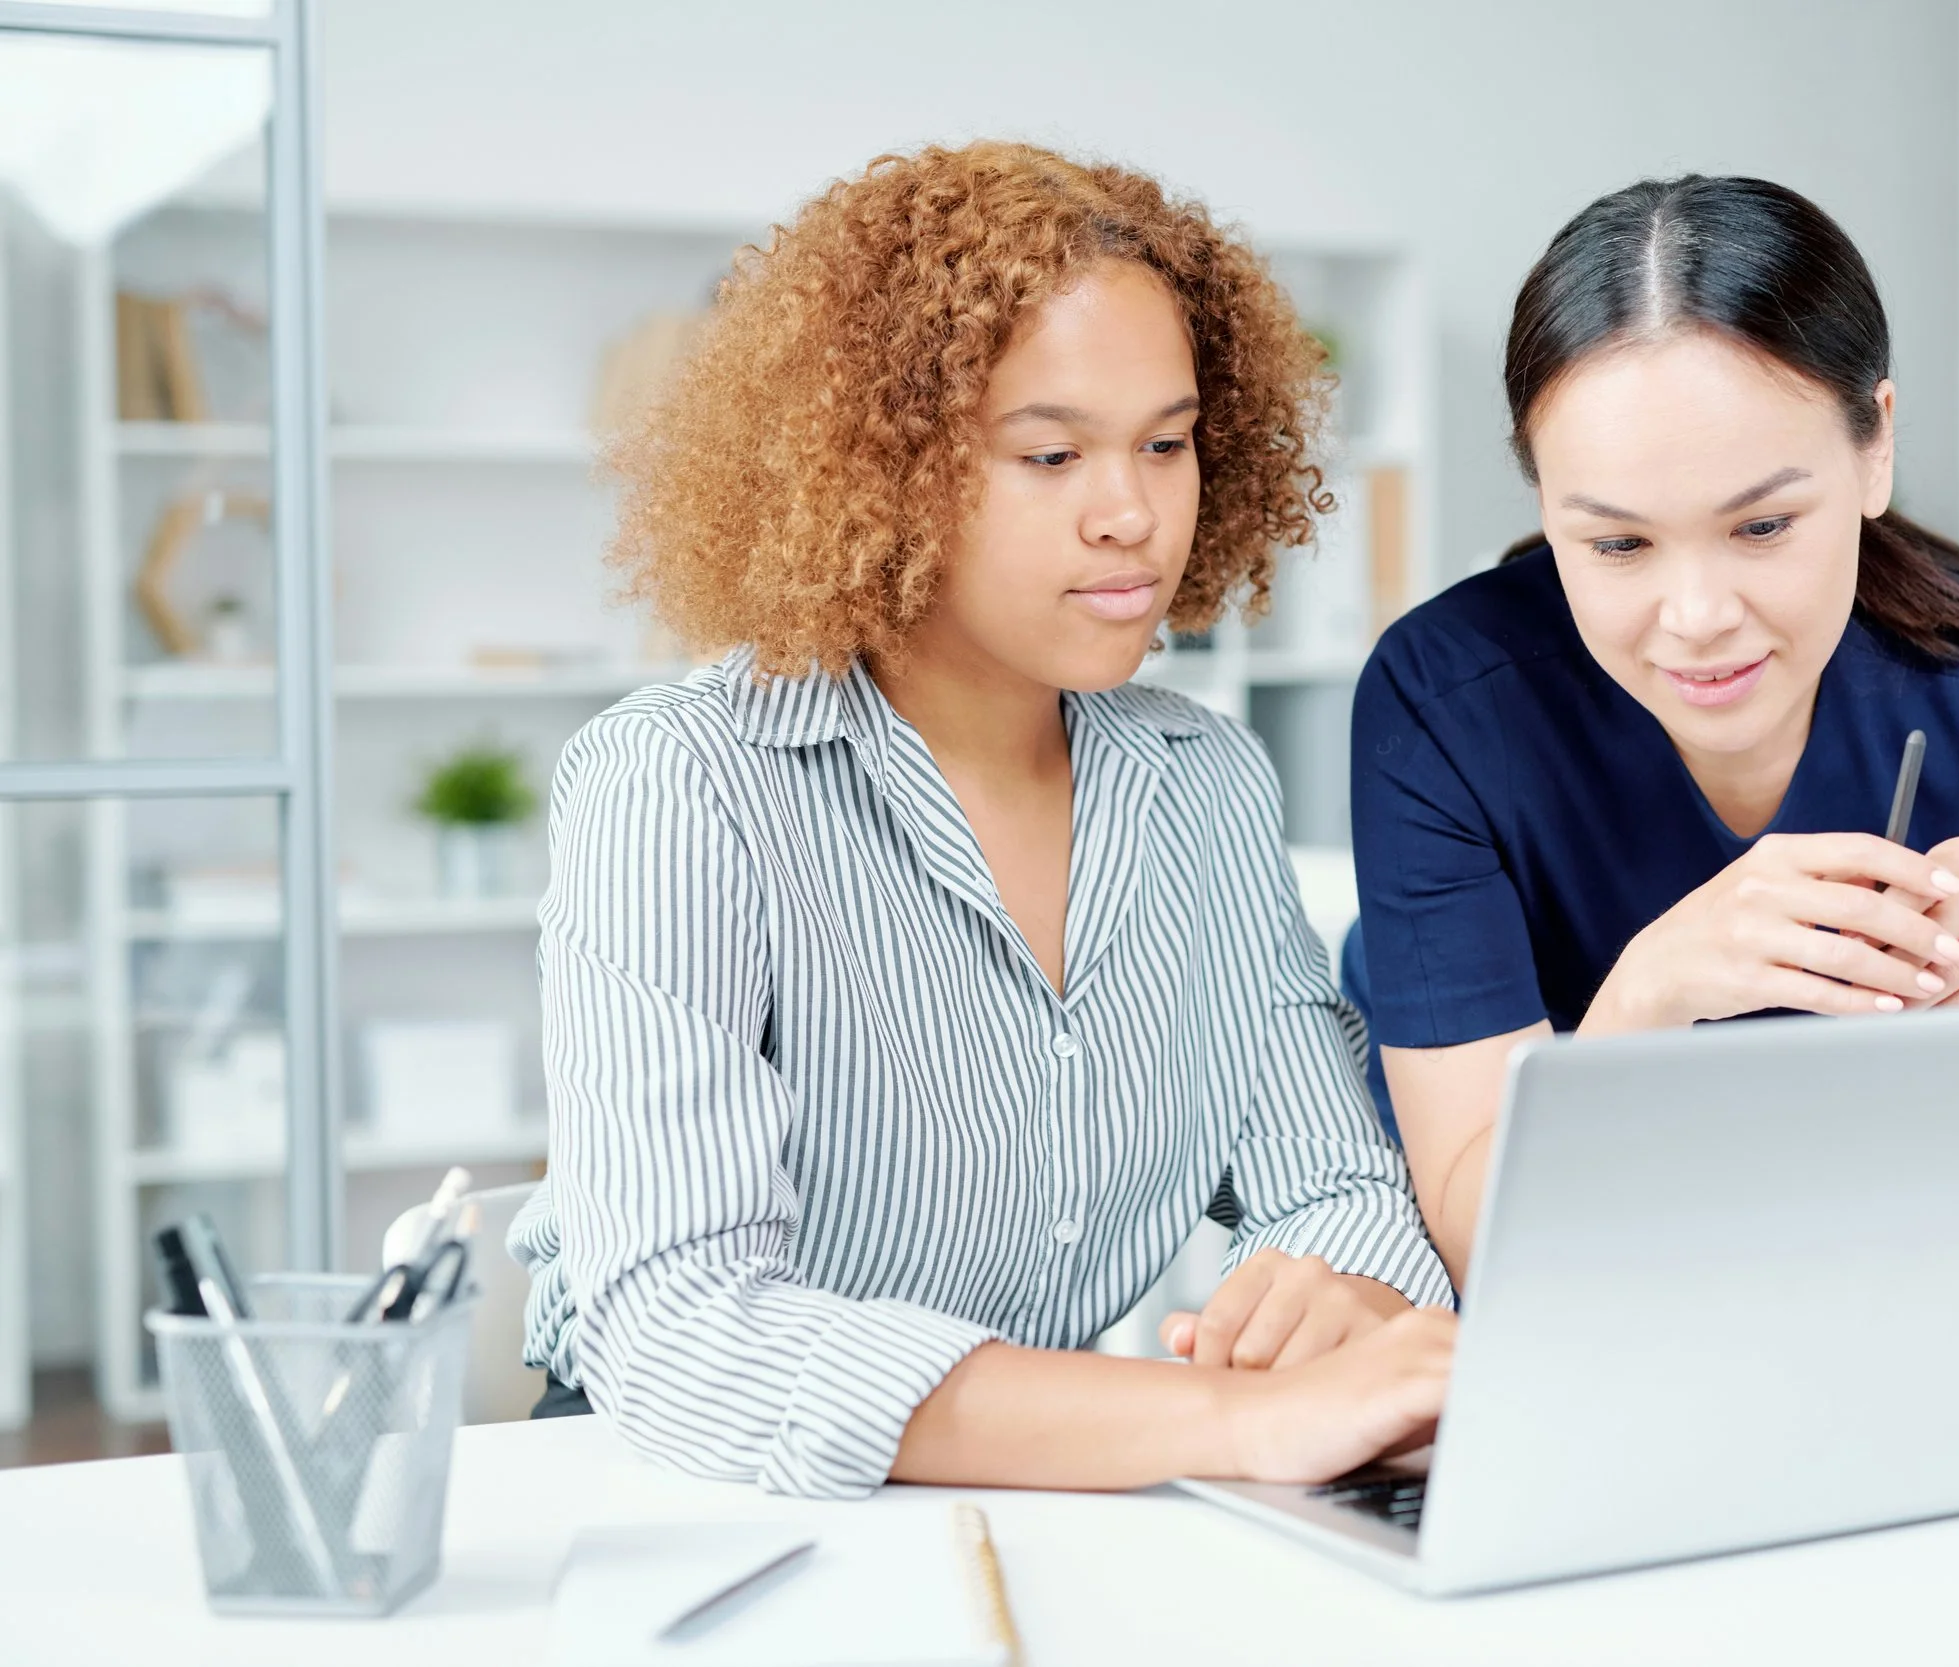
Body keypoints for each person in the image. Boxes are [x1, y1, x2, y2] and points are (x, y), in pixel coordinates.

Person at [509, 142, 1455, 1500]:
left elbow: (1340, 1184)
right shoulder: (685, 783)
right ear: (879, 469)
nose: (1132, 512)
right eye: (1051, 452)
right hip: (691, 1497)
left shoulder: (1207, 784)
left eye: (1169, 442)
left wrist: (1342, 1305)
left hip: (1029, 1498)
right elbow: (687, 1332)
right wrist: (1229, 1419)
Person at [1346, 175, 1959, 1287]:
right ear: (1540, 497)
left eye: (1761, 524)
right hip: (1542, 1286)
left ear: (1875, 447)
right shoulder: (1444, 707)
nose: (1699, 618)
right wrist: (1653, 992)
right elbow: (1482, 1231)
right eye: (1617, 545)